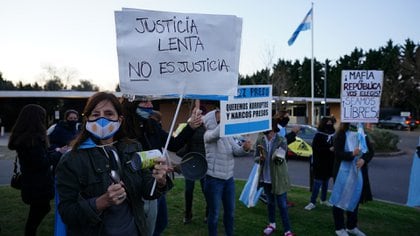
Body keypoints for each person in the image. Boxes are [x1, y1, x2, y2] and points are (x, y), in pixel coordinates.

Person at [55, 92, 172, 236]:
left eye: (109, 114)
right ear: (87, 120)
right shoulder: (71, 159)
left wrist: (159, 182)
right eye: (95, 114)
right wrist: (101, 202)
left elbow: (147, 192)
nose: (102, 119)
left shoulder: (133, 147)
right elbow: (67, 213)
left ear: (120, 120)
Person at [121, 98, 202, 236]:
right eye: (144, 102)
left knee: (161, 223)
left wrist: (191, 127)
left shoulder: (152, 125)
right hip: (135, 189)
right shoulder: (122, 130)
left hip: (157, 184)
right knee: (141, 227)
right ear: (132, 104)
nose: (150, 105)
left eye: (150, 101)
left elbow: (174, 144)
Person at [203, 108, 252, 236]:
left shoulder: (227, 134)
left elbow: (236, 151)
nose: (222, 117)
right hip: (214, 180)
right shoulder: (208, 134)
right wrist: (226, 120)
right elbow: (215, 135)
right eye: (219, 116)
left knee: (230, 213)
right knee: (214, 214)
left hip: (228, 180)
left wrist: (244, 148)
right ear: (211, 120)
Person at [8, 104, 55, 236]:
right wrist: (58, 153)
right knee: (40, 212)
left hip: (31, 184)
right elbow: (42, 162)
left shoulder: (26, 138)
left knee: (38, 211)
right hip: (37, 185)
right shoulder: (32, 140)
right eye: (43, 117)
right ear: (36, 119)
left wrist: (53, 151)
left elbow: (40, 157)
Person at [332, 123, 373, 236]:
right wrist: (351, 154)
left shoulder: (362, 134)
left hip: (358, 172)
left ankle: (351, 226)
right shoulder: (340, 134)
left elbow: (370, 152)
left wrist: (364, 160)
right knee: (340, 197)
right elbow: (337, 153)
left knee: (354, 198)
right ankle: (339, 228)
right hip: (342, 171)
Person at [255, 118, 295, 236]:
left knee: (282, 205)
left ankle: (287, 230)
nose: (270, 133)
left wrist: (275, 156)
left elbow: (280, 159)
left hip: (278, 177)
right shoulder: (260, 140)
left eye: (272, 130)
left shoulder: (281, 140)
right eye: (268, 131)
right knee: (270, 203)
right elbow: (255, 158)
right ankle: (272, 224)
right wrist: (260, 159)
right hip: (266, 177)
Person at [179, 105, 208, 224]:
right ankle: (188, 214)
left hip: (203, 163)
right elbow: (181, 141)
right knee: (188, 190)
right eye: (194, 113)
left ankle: (208, 213)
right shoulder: (189, 127)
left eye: (198, 113)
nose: (196, 115)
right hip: (190, 162)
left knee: (206, 190)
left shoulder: (208, 128)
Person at [304, 116, 336, 210]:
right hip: (319, 162)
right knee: (317, 183)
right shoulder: (318, 135)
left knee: (326, 182)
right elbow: (316, 148)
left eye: (331, 123)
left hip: (329, 163)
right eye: (328, 123)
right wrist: (328, 149)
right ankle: (312, 202)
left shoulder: (333, 134)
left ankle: (323, 199)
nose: (330, 124)